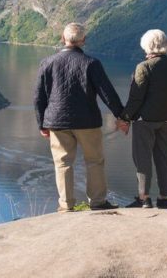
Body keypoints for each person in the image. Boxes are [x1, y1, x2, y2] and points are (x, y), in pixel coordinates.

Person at [34, 23, 129, 212]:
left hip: (57, 121)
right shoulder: (91, 63)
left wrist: (41, 124)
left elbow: (39, 96)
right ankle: (97, 202)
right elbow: (107, 93)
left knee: (62, 163)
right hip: (87, 121)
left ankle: (66, 205)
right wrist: (122, 116)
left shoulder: (47, 62)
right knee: (94, 161)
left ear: (63, 38)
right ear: (83, 41)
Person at [121, 29, 167, 209]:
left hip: (145, 120)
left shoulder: (143, 67)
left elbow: (136, 98)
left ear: (147, 46)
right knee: (163, 157)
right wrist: (166, 102)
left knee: (142, 157)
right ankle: (164, 199)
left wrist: (125, 117)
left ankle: (144, 199)